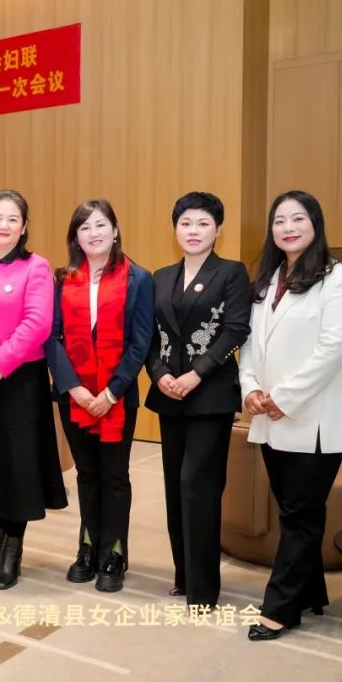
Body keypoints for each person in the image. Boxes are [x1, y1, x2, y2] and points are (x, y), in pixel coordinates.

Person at [240, 190, 342, 641]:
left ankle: (280, 608)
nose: (288, 227)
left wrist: (282, 397)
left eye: (298, 219)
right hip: (270, 417)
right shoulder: (267, 280)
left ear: (315, 224)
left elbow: (332, 350)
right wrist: (251, 387)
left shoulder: (341, 279)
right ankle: (311, 592)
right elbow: (250, 343)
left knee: (299, 514)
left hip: (315, 420)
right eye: (279, 220)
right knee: (294, 510)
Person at [144, 191, 250, 608]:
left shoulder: (231, 273)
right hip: (169, 394)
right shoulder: (161, 276)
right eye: (185, 223)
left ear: (217, 230)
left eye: (203, 223)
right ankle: (183, 576)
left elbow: (236, 329)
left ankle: (204, 589)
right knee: (175, 485)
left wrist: (196, 373)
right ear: (175, 229)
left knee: (198, 485)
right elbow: (148, 335)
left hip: (211, 395)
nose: (193, 231)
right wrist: (159, 374)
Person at [0, 189, 67, 591]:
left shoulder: (35, 267)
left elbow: (37, 323)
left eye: (13, 219)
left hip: (20, 380)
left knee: (19, 465)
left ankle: (13, 551)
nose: (4, 226)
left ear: (23, 228)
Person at [44, 198, 152, 593]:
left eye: (101, 224)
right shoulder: (63, 279)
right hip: (72, 394)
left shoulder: (138, 278)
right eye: (85, 227)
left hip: (116, 395)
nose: (94, 233)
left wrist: (111, 391)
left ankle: (114, 553)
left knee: (114, 475)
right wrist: (73, 387)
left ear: (115, 230)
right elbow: (51, 337)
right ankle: (87, 547)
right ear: (75, 236)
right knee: (87, 474)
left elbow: (140, 342)